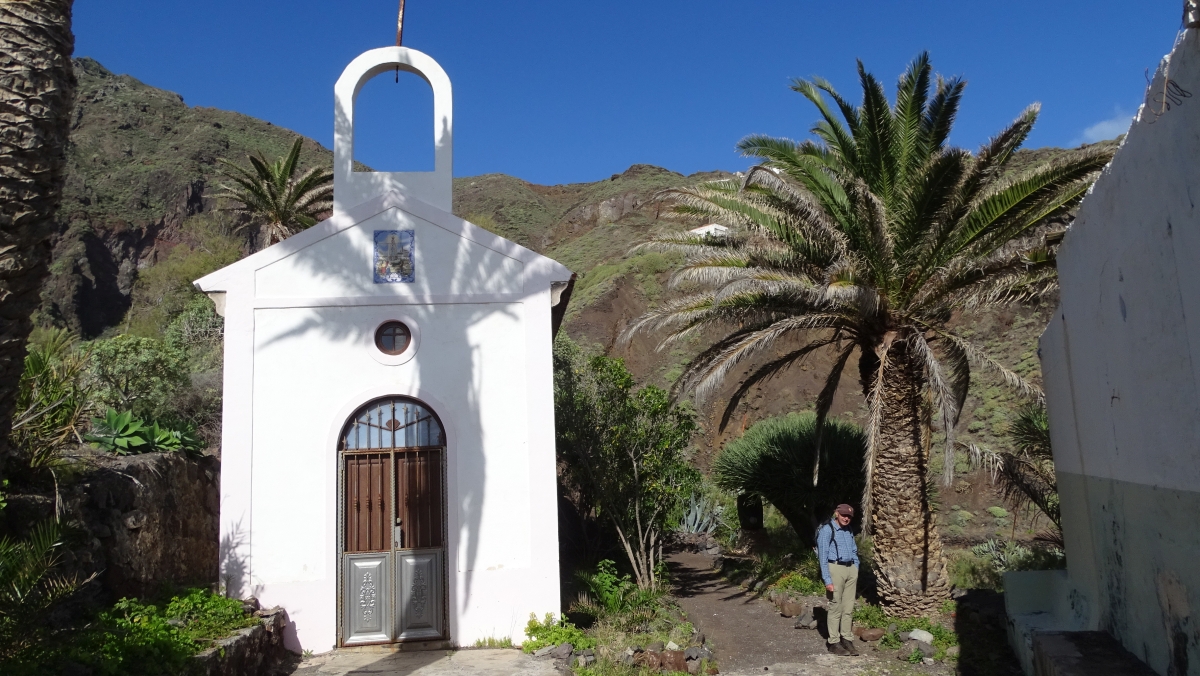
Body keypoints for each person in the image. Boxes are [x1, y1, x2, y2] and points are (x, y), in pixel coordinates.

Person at [817, 503, 860, 656]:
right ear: (836, 513)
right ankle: (833, 642)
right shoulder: (827, 530)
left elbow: (854, 549)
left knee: (848, 607)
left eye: (848, 516)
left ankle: (847, 638)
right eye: (843, 515)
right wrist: (827, 579)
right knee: (836, 606)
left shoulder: (848, 530)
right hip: (835, 568)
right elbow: (822, 556)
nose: (846, 518)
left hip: (850, 569)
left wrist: (856, 567)